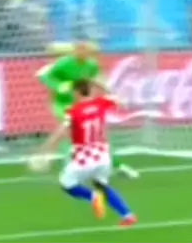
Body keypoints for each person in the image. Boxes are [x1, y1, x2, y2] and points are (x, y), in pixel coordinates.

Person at [31, 80, 137, 226]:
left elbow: (60, 133)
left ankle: (92, 197)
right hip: (103, 156)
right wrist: (102, 86)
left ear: (76, 92)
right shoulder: (102, 103)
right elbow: (122, 102)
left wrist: (45, 149)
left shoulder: (73, 111)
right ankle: (127, 215)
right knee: (102, 185)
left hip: (84, 158)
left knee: (66, 184)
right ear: (91, 90)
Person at [36, 42, 139, 180]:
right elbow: (44, 75)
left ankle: (116, 166)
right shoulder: (63, 64)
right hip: (63, 104)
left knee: (95, 138)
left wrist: (111, 93)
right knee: (72, 135)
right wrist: (59, 86)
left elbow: (96, 79)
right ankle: (69, 167)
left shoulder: (91, 65)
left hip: (81, 104)